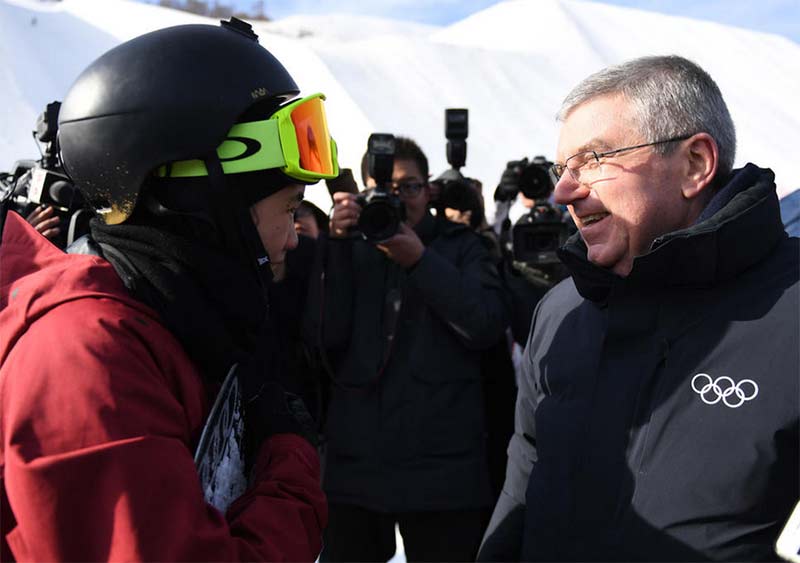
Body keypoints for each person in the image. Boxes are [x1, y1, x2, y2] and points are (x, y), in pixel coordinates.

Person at [0, 18, 337, 561]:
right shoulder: (91, 356)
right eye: (289, 210)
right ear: (210, 206)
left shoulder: (174, 324)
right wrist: (289, 467)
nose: (294, 238)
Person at [478, 54, 799, 562]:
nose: (564, 191)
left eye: (595, 159)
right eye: (563, 167)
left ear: (695, 164)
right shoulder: (562, 310)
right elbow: (523, 482)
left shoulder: (791, 307)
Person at [316, 136, 509, 562]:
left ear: (430, 189)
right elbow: (324, 337)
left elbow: (485, 325)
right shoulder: (346, 244)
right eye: (385, 188)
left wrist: (420, 260)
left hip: (443, 473)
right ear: (364, 191)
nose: (399, 198)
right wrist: (337, 246)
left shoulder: (462, 246)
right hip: (356, 465)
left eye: (411, 187)